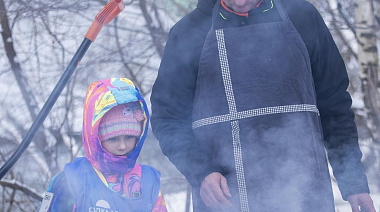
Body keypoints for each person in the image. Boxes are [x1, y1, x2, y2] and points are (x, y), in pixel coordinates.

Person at [150, 0, 376, 211]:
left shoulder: (303, 17)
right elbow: (168, 118)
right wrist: (201, 172)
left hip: (305, 192)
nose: (239, 2)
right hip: (226, 199)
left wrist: (353, 181)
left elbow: (333, 103)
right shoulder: (187, 33)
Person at [39, 78, 167, 212]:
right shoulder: (71, 181)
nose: (122, 146)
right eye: (113, 139)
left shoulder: (148, 181)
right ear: (96, 138)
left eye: (129, 137)